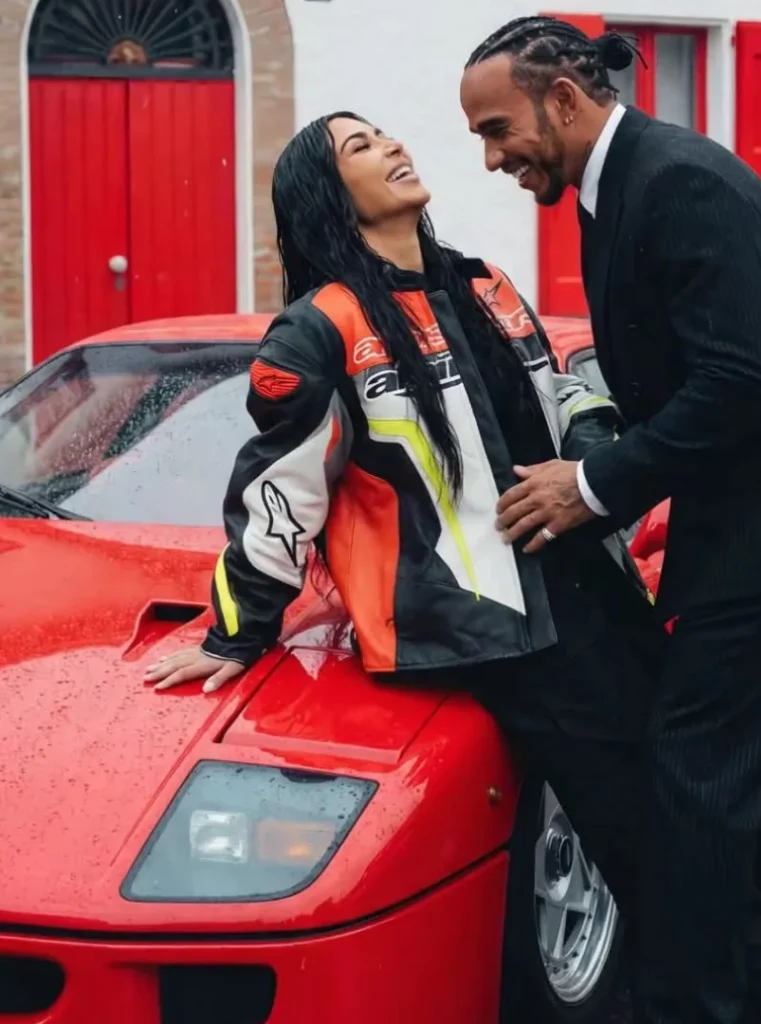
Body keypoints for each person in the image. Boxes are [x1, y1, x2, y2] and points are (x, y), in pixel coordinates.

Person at [143, 110, 679, 1022]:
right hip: (484, 631)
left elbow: (565, 387)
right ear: (327, 196)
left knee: (687, 809)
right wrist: (237, 631)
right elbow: (282, 488)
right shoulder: (319, 329)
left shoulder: (482, 282)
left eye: (384, 134)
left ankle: (725, 979)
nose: (392, 146)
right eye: (360, 147)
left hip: (590, 587)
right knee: (645, 845)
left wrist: (590, 447)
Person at [460, 16, 761, 1024]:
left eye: (498, 130)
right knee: (752, 762)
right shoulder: (614, 186)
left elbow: (738, 383)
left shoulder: (676, 179)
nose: (494, 157)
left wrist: (590, 487)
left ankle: (699, 1004)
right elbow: (675, 374)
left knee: (693, 764)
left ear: (563, 99)